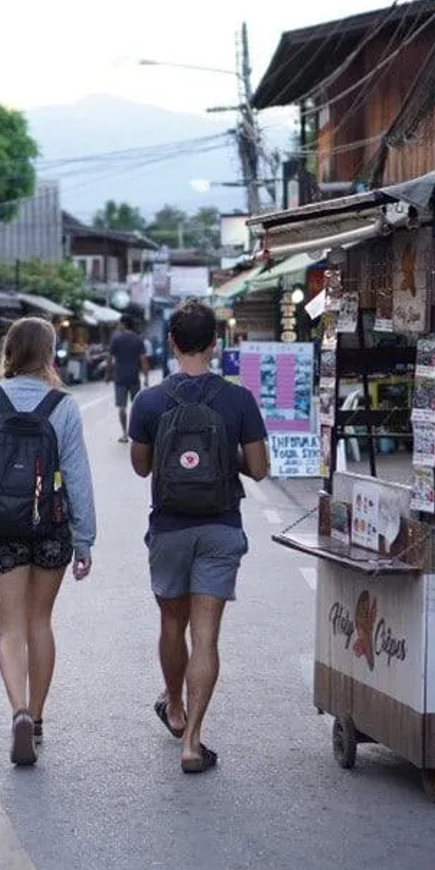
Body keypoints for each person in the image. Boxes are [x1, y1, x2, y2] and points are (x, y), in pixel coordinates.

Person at [127, 299, 270, 774]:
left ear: (171, 342)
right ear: (215, 343)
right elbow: (261, 470)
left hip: (168, 527)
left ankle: (173, 707)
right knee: (205, 635)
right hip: (220, 526)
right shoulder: (238, 399)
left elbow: (141, 466)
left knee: (172, 623)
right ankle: (193, 742)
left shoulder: (148, 402)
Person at [0, 317, 96, 767]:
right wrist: (85, 538)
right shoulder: (64, 406)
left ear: (9, 351)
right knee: (40, 622)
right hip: (50, 525)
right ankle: (36, 719)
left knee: (9, 629)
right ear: (50, 355)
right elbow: (77, 477)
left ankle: (16, 708)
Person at [109, 315, 148, 443]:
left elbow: (109, 359)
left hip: (120, 377)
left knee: (121, 407)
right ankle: (137, 435)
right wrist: (146, 377)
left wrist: (107, 375)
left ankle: (125, 434)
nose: (118, 326)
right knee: (136, 406)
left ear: (124, 324)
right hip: (134, 377)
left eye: (119, 324)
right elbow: (143, 360)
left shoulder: (116, 340)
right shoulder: (138, 340)